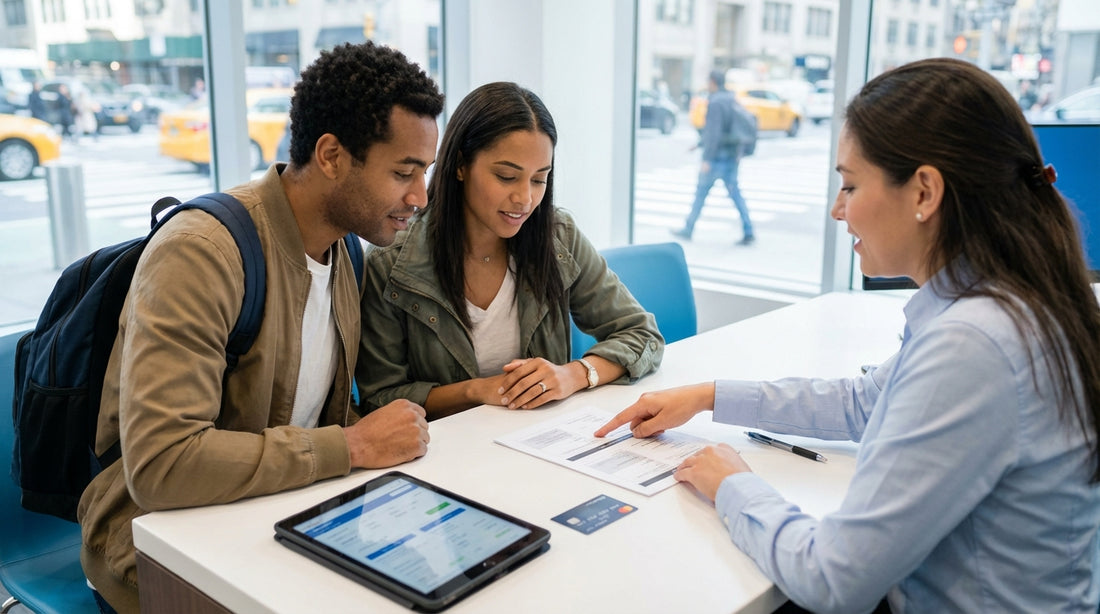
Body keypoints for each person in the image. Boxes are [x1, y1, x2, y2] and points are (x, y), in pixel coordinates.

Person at [597, 57, 1100, 613]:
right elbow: (867, 403)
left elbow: (833, 580)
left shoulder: (974, 343)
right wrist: (710, 396)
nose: (839, 210)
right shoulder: (1006, 299)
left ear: (925, 192)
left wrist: (732, 483)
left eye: (851, 185)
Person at [78, 42, 443, 614]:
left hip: (273, 516)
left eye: (425, 172)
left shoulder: (347, 251)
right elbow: (161, 466)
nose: (420, 197)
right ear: (330, 156)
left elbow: (307, 412)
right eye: (404, 172)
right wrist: (349, 445)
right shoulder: (201, 253)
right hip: (157, 548)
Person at [357, 82, 663, 421]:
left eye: (539, 180)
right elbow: (379, 398)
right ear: (460, 165)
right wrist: (476, 390)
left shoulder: (557, 235)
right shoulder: (391, 262)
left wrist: (574, 374)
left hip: (540, 440)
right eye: (506, 177)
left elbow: (642, 334)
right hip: (446, 453)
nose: (525, 199)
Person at [671, 69, 755, 246]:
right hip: (731, 155)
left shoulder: (716, 102)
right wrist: (700, 143)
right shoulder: (730, 98)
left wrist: (707, 159)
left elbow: (714, 132)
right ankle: (749, 230)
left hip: (718, 157)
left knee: (701, 193)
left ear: (712, 82)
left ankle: (688, 228)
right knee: (735, 194)